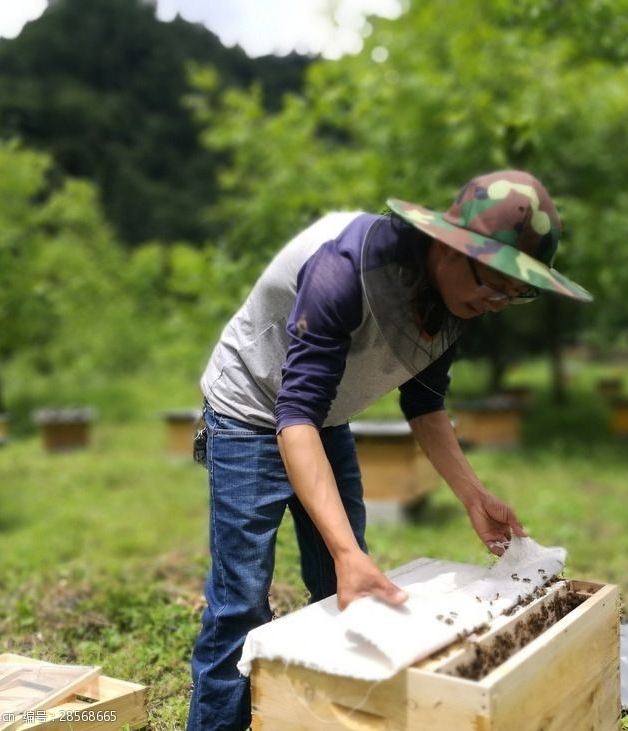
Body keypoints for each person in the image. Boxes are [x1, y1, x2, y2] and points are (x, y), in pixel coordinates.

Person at [187, 169, 592, 731]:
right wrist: (348, 551)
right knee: (241, 604)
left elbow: (424, 404)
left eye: (514, 291)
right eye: (494, 281)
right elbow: (294, 415)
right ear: (450, 249)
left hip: (322, 416)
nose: (497, 301)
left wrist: (474, 497)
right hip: (250, 410)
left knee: (342, 587)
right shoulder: (341, 269)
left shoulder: (457, 300)